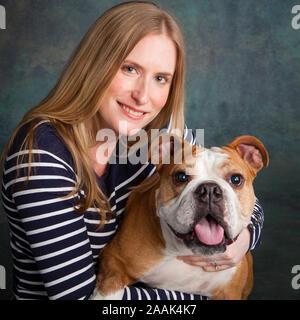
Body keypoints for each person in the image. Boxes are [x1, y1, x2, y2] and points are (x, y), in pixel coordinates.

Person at [0, 1, 264, 300]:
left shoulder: (160, 132)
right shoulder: (40, 154)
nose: (142, 96)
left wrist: (244, 239)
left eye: (160, 78)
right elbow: (78, 297)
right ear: (94, 65)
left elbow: (234, 192)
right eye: (129, 69)